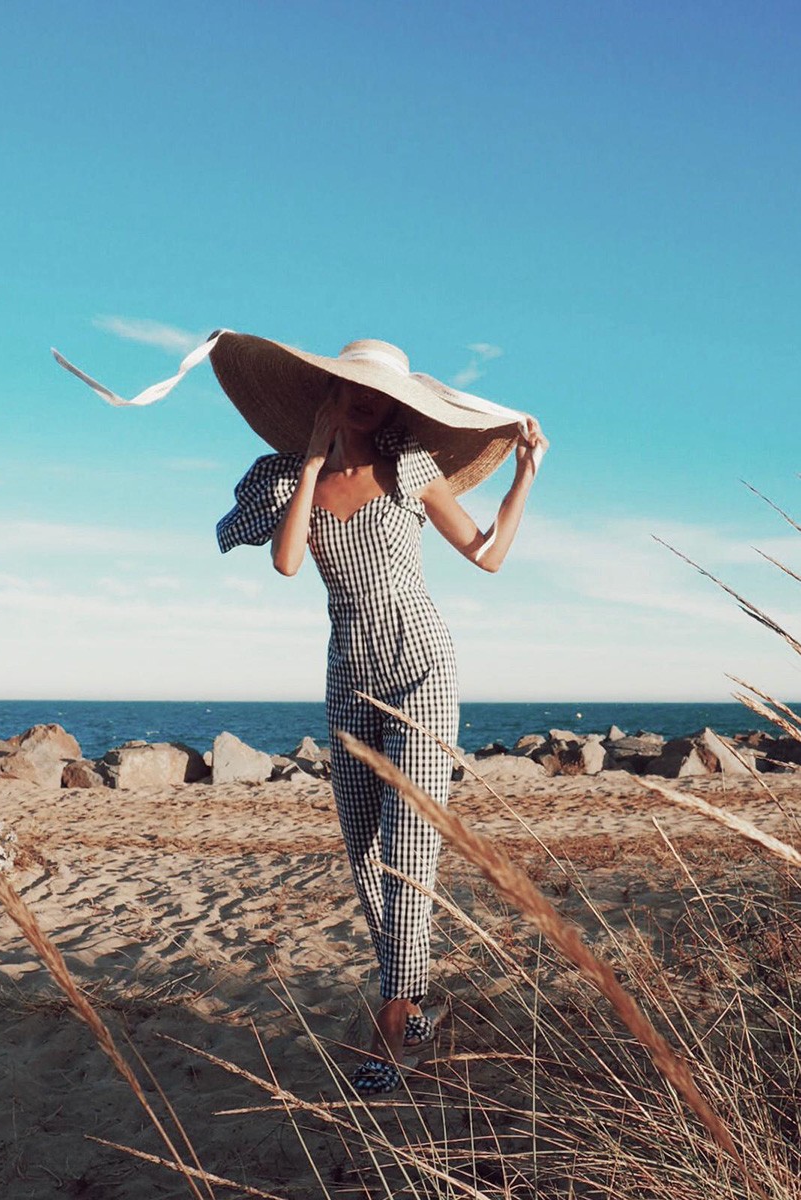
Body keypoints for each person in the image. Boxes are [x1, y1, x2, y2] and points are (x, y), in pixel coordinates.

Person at [216, 337, 548, 1096]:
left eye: (381, 390)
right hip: (349, 673)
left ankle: (394, 1020)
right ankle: (415, 1001)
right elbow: (287, 561)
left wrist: (526, 474)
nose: (369, 398)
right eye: (351, 385)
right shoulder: (279, 479)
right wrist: (308, 460)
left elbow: (488, 555)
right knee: (365, 850)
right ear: (326, 393)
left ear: (398, 403)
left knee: (410, 844)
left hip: (422, 665)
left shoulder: (411, 466)